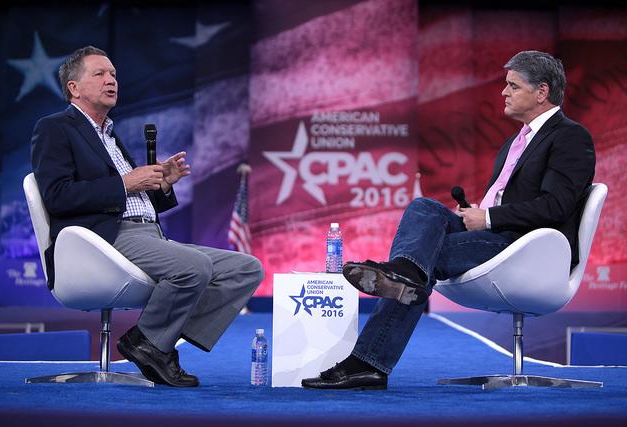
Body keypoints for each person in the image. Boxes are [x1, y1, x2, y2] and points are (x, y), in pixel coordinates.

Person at [302, 50, 596, 390]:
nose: (504, 92)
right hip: (497, 235)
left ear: (542, 92)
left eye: (513, 86)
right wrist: (476, 215)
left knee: (425, 260)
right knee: (424, 207)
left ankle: (369, 359)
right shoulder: (515, 142)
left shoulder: (570, 136)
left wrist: (486, 217)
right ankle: (403, 276)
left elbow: (555, 206)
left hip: (525, 246)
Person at [30, 46, 264, 388]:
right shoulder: (56, 128)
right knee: (194, 267)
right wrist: (126, 182)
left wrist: (161, 185)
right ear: (74, 88)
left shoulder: (108, 134)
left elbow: (131, 196)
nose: (111, 80)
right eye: (100, 74)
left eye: (114, 75)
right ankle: (153, 344)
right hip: (104, 240)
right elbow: (58, 196)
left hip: (148, 235)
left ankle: (153, 342)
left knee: (246, 269)